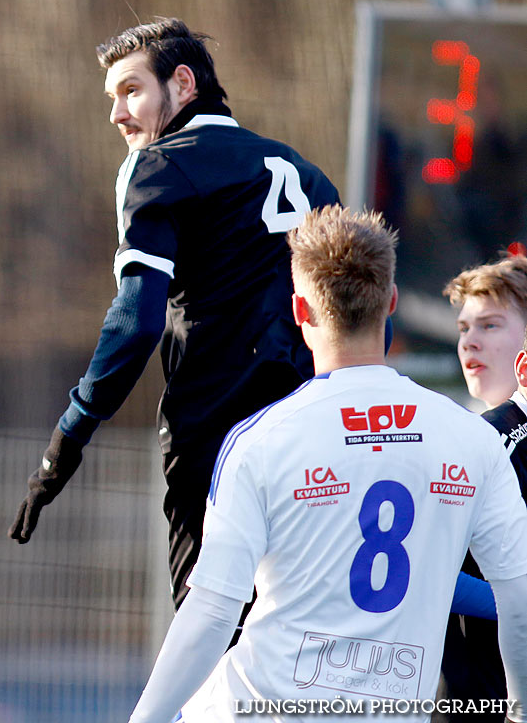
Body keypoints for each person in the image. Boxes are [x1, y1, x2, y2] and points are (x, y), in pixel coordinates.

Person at [128, 206, 527, 723]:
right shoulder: (472, 440)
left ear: (299, 311)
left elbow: (211, 611)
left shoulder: (263, 440)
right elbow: (517, 595)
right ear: (391, 302)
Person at [8, 17, 340, 606]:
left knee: (210, 634)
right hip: (313, 433)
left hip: (214, 433)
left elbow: (136, 322)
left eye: (131, 90)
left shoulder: (156, 165)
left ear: (183, 85)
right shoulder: (306, 172)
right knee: (296, 629)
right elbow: (357, 313)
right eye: (112, 97)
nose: (117, 114)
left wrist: (67, 438)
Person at [440, 256, 527, 722]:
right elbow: (431, 571)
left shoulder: (488, 440)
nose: (469, 341)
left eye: (490, 325)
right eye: (462, 327)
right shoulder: (477, 440)